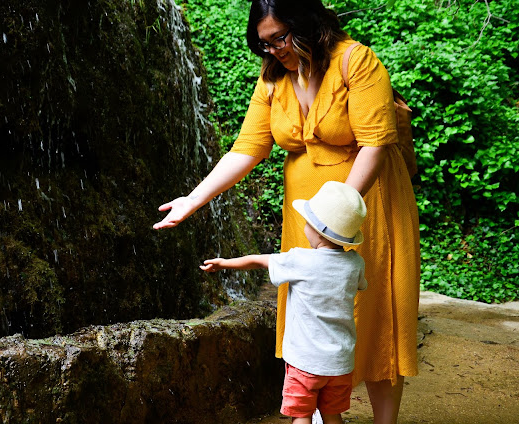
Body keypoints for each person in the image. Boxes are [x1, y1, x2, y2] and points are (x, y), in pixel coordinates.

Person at [153, 0, 420, 422]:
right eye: (265, 43)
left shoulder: (357, 61)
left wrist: (337, 216)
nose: (275, 49)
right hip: (307, 215)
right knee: (311, 313)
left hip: (365, 206)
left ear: (307, 23)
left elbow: (375, 143)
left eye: (281, 37)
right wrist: (194, 198)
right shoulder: (273, 78)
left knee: (377, 317)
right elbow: (248, 148)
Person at [201, 181, 368, 424]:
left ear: (316, 230)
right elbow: (361, 284)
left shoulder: (299, 260)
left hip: (305, 362)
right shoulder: (355, 264)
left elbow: (259, 260)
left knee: (301, 415)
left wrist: (223, 263)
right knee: (333, 415)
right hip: (339, 362)